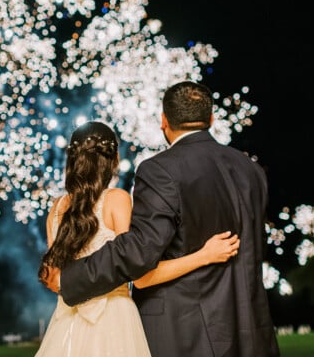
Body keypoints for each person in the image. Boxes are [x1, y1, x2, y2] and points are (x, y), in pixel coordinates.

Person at [43, 82, 280, 357]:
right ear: (212, 118)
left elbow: (138, 254)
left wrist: (70, 279)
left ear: (164, 121)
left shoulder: (160, 170)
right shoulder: (251, 171)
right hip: (250, 329)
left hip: (185, 331)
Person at [36, 120, 240, 357]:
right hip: (112, 321)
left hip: (66, 326)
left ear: (71, 159)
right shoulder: (116, 199)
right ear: (114, 160)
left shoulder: (56, 208)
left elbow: (53, 280)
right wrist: (204, 256)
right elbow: (141, 275)